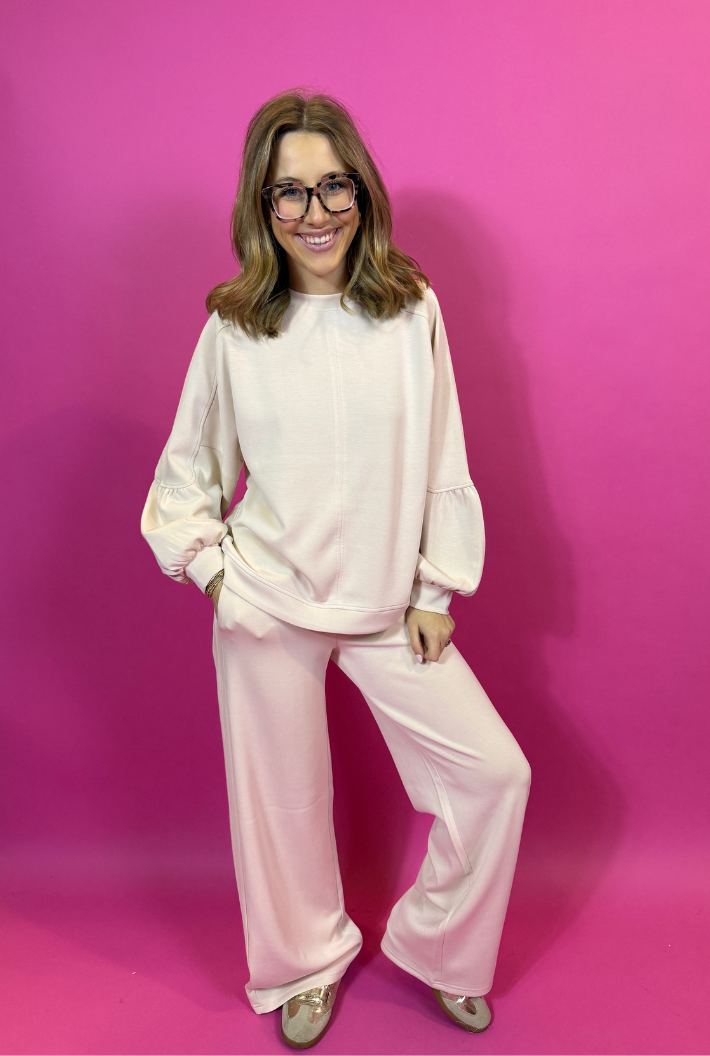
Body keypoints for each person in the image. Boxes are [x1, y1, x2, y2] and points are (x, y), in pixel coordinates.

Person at [141, 89, 531, 1049]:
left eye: (333, 186)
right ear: (261, 204)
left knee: (494, 775)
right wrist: (217, 577)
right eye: (290, 192)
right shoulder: (235, 328)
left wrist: (435, 588)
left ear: (363, 190)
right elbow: (187, 472)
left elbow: (442, 453)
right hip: (268, 602)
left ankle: (439, 947)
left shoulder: (411, 310)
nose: (314, 213)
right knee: (281, 809)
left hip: (388, 605)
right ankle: (303, 966)